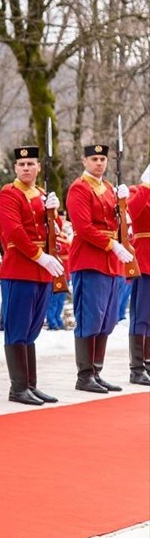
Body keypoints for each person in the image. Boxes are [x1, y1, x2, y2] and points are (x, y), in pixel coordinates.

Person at [0, 145, 66, 404]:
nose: (26, 168)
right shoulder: (9, 194)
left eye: (31, 164)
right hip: (21, 268)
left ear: (38, 167)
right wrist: (40, 257)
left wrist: (54, 213)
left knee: (32, 329)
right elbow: (14, 231)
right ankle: (18, 388)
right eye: (22, 164)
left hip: (42, 272)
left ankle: (30, 385)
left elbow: (53, 230)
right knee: (17, 328)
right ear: (15, 168)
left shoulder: (41, 193)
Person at [66, 144, 134, 392]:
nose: (99, 163)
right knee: (90, 318)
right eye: (94, 158)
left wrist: (124, 206)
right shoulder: (79, 188)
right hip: (90, 260)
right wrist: (111, 244)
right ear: (84, 161)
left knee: (107, 320)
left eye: (103, 158)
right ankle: (84, 376)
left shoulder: (108, 189)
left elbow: (118, 222)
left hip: (112, 263)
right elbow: (83, 227)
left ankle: (96, 371)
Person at [128, 163, 150, 385]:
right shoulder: (138, 190)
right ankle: (137, 368)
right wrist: (146, 186)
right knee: (141, 316)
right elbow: (130, 214)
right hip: (145, 260)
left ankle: (148, 362)